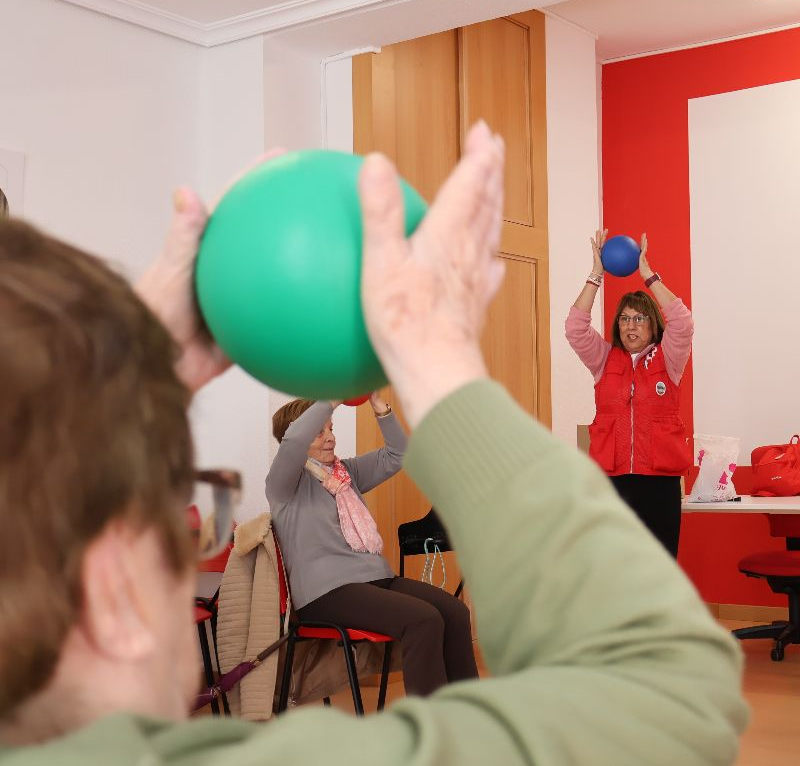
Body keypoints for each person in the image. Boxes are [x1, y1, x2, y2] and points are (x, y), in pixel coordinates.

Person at [0, 122, 747, 764]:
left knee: (448, 613)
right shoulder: (290, 476)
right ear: (112, 593)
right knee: (428, 616)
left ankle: (461, 697)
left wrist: (127, 380)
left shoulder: (345, 478)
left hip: (444, 550)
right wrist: (432, 358)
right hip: (339, 592)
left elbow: (396, 458)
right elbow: (670, 687)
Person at [267, 394, 477, 696]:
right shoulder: (284, 484)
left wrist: (380, 407)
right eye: (319, 431)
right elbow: (292, 443)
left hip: (375, 578)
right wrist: (331, 397)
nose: (331, 438)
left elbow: (398, 455)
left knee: (455, 612)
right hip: (326, 593)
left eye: (331, 429)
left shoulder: (346, 474)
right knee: (423, 620)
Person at [565, 230, 694, 557]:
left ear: (652, 325)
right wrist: (596, 274)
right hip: (613, 483)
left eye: (639, 319)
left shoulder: (669, 359)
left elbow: (682, 323)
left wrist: (648, 276)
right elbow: (575, 328)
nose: (631, 326)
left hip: (659, 485)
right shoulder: (603, 359)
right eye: (624, 319)